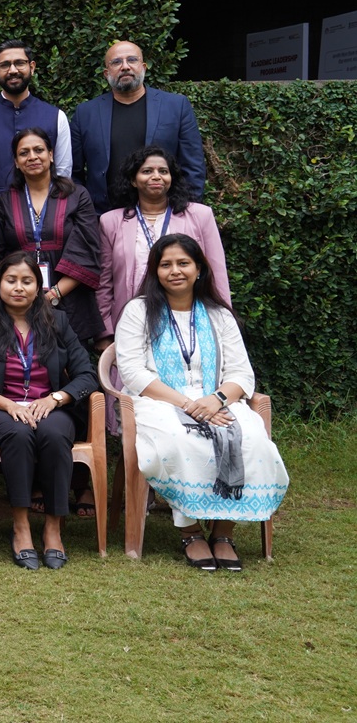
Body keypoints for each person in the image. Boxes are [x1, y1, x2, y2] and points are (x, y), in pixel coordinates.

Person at [114, 234, 288, 571]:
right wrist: (188, 404)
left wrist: (216, 399)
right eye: (166, 264)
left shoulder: (218, 314)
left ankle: (223, 533)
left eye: (183, 263)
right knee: (181, 439)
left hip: (219, 402)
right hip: (159, 403)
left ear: (199, 270)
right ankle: (190, 532)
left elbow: (240, 371)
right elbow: (133, 372)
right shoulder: (138, 310)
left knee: (252, 440)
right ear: (155, 271)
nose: (175, 271)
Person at [0, 252, 96, 570]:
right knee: (18, 433)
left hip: (48, 406)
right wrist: (6, 404)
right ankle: (20, 526)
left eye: (27, 281)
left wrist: (56, 399)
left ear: (39, 286)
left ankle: (52, 527)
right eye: (11, 280)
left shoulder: (57, 321)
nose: (18, 287)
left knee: (54, 432)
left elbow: (86, 374)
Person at [96, 145, 230, 352]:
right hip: (132, 324)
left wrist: (224, 322)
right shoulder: (111, 222)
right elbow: (104, 282)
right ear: (133, 180)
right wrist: (105, 332)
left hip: (190, 317)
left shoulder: (200, 216)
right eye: (147, 171)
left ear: (172, 178)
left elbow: (217, 273)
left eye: (163, 171)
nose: (156, 176)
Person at [0, 128, 103, 350]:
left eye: (38, 150)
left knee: (72, 370)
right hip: (19, 302)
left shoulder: (77, 195)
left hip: (69, 299)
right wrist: (23, 294)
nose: (32, 156)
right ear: (16, 161)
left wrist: (53, 294)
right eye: (24, 153)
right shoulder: (5, 202)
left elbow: (87, 249)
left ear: (51, 155)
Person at [70, 40, 206, 213]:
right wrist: (85, 214)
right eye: (116, 62)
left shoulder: (176, 106)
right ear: (106, 73)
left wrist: (185, 213)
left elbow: (193, 167)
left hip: (166, 215)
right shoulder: (86, 113)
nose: (125, 67)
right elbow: (73, 173)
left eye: (132, 60)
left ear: (143, 67)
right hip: (104, 217)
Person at [0, 41, 73, 204]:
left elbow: (63, 172)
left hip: (46, 216)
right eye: (5, 65)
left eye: (19, 63)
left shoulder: (56, 117)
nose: (13, 70)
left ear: (32, 67)